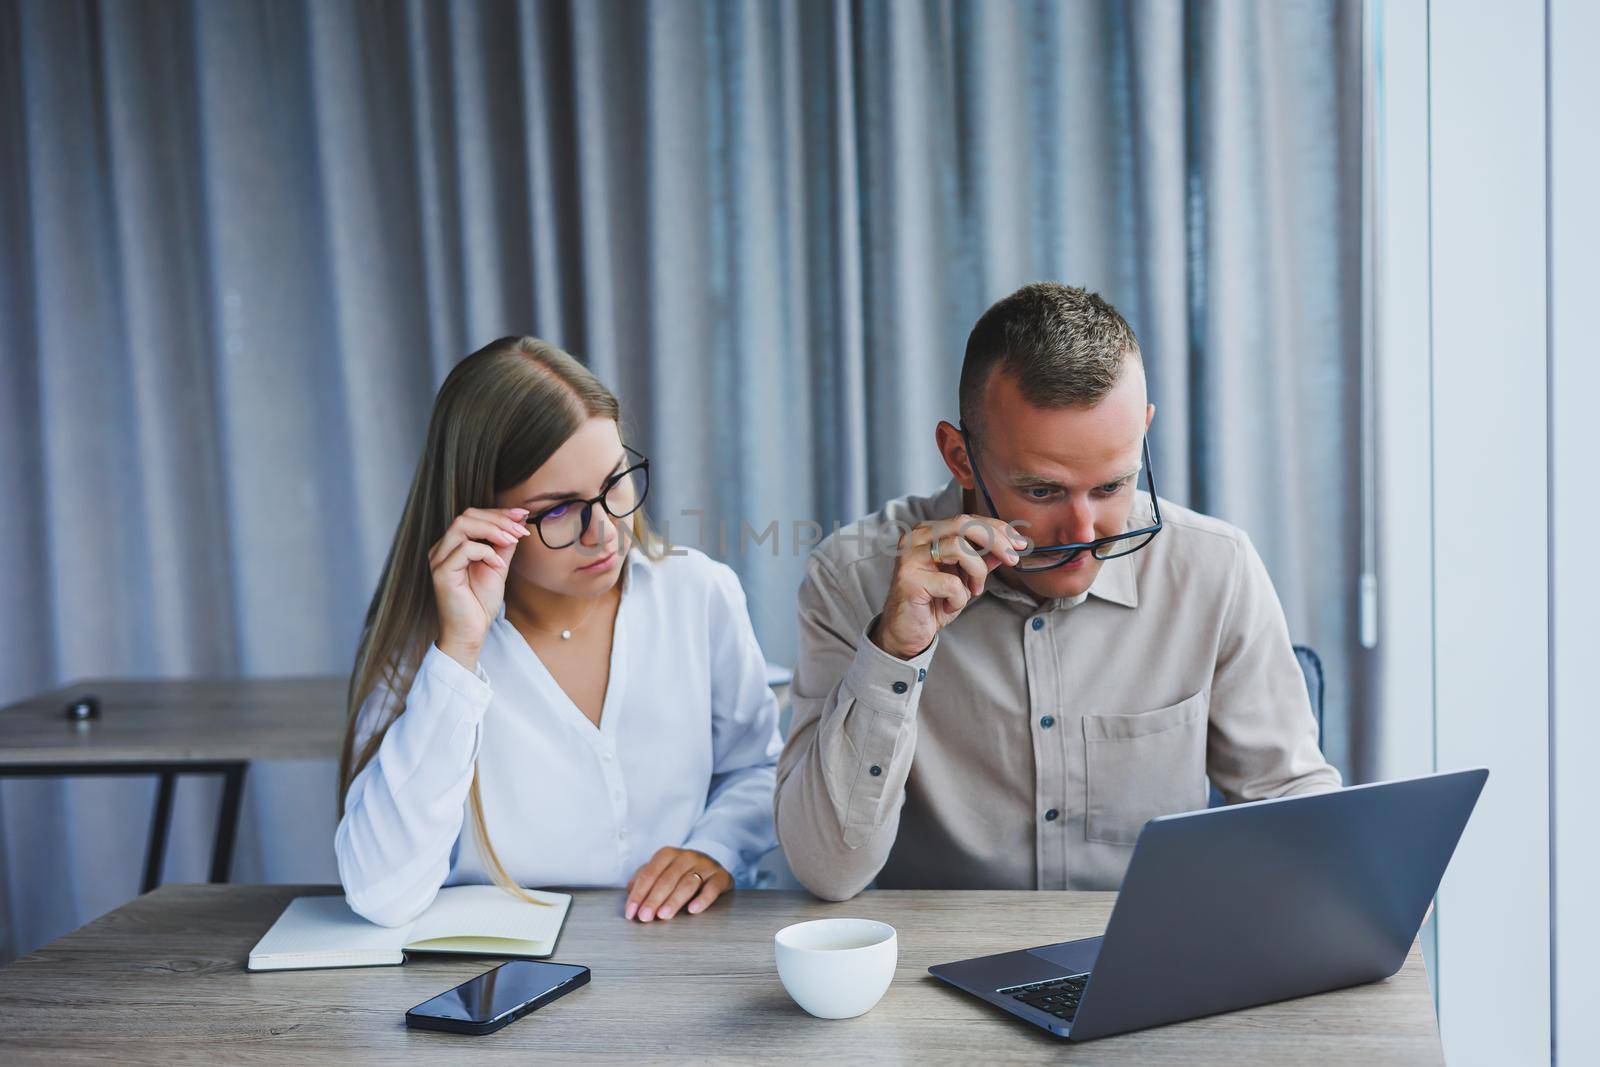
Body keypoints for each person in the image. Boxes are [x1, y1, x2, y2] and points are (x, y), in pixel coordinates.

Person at [776, 283, 1340, 900]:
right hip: (931, 974)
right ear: (959, 457)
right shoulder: (851, 577)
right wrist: (894, 653)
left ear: (1143, 433)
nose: (1084, 532)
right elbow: (828, 872)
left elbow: (1290, 803)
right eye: (1043, 491)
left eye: (1112, 486)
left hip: (1149, 965)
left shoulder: (1215, 569)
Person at [337, 336, 781, 926]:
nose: (603, 533)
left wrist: (716, 848)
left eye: (615, 481)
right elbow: (380, 895)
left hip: (681, 959)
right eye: (555, 510)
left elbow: (757, 766)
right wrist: (460, 651)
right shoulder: (431, 648)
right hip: (495, 978)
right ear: (479, 514)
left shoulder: (698, 594)